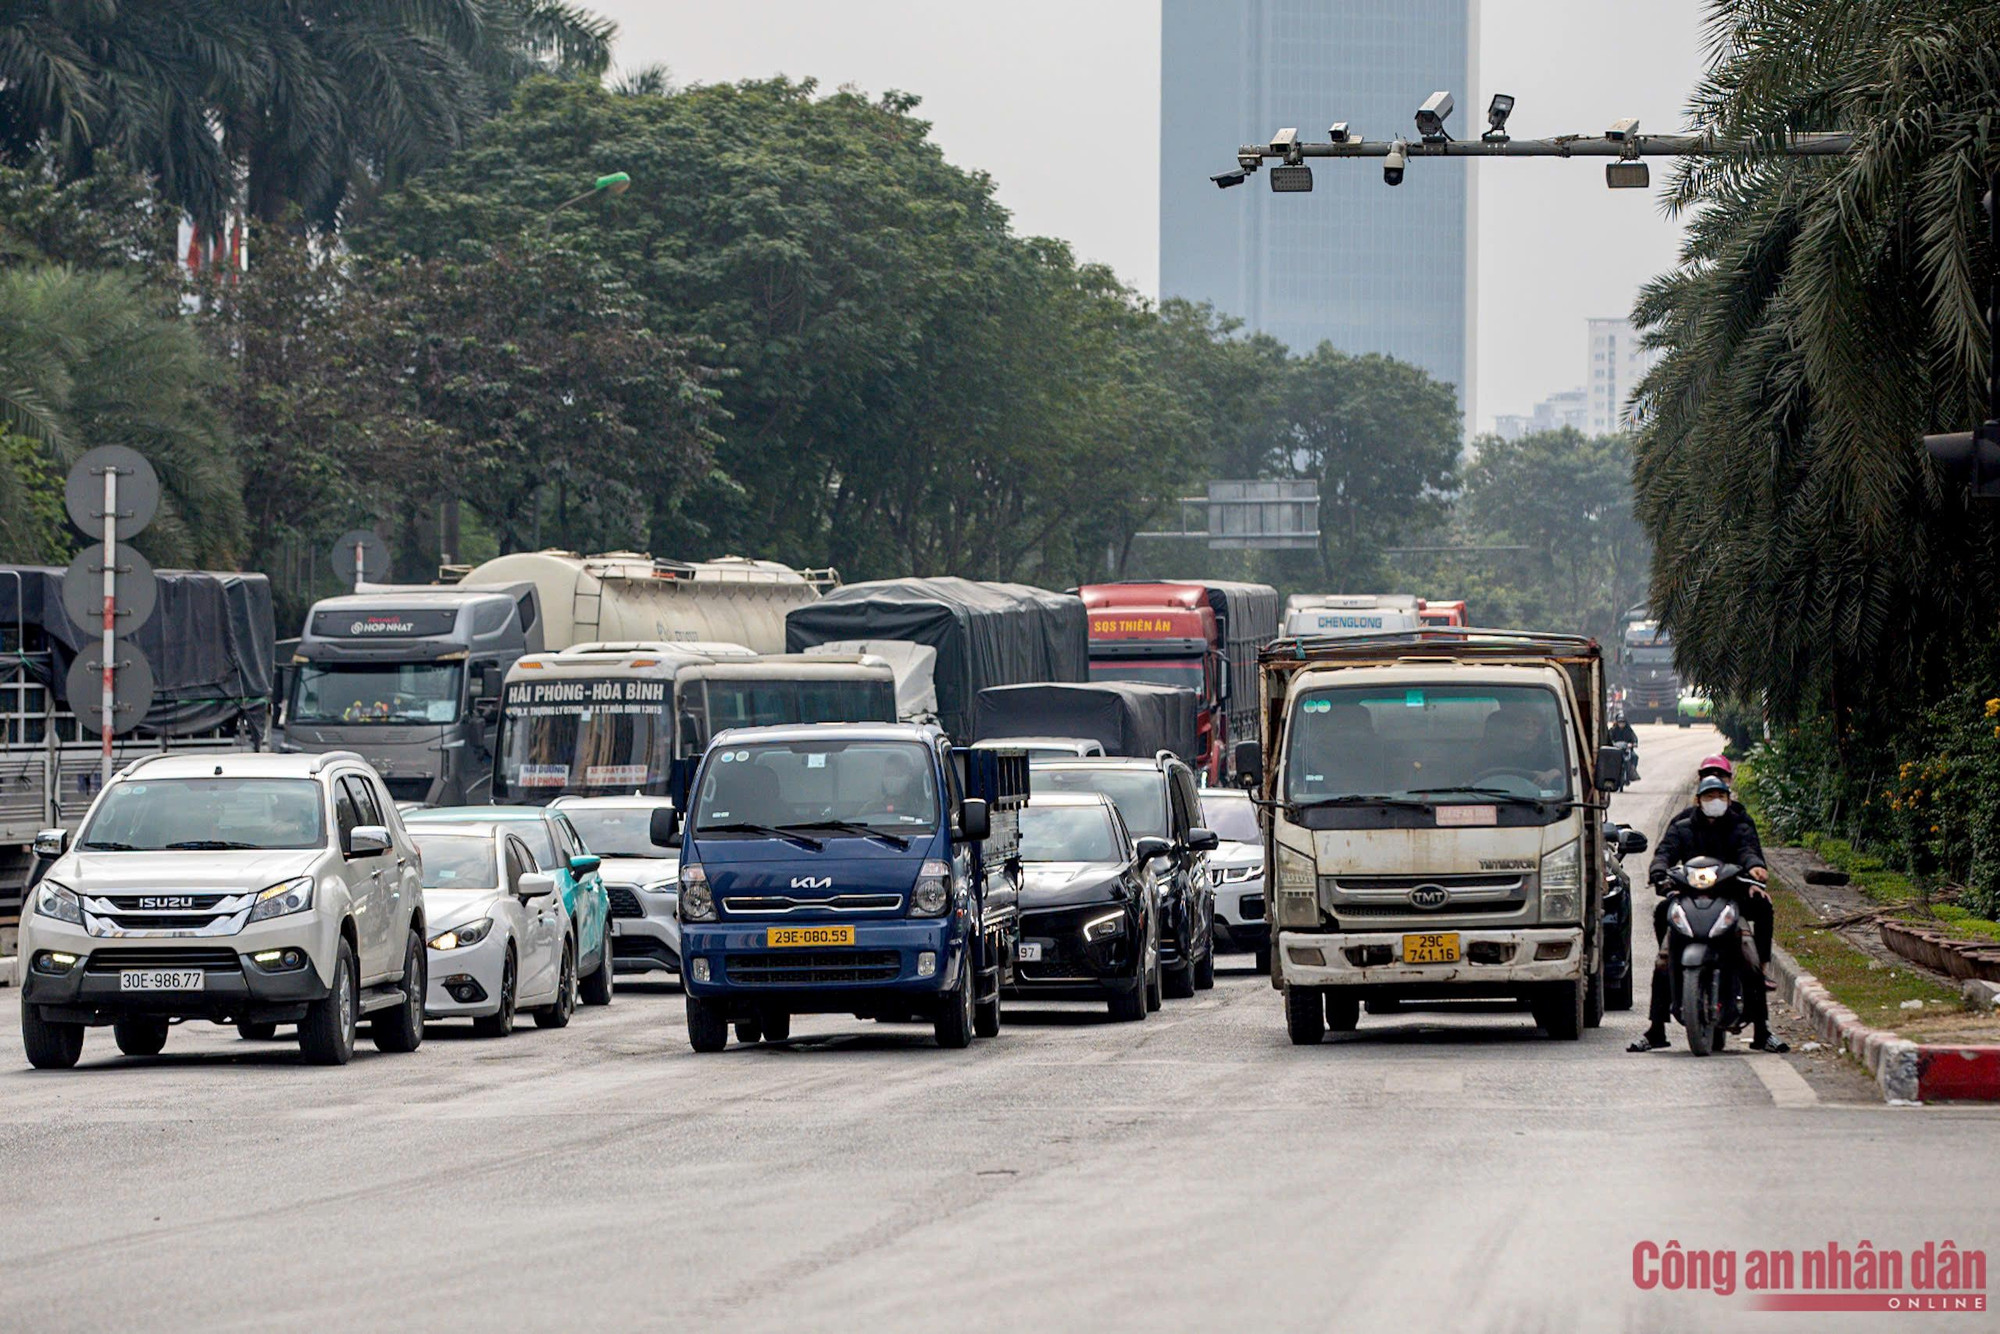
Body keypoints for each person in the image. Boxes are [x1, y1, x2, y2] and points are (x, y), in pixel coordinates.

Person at [1628, 773, 1788, 1052]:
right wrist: (1658, 872)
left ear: (1728, 798)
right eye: (1709, 797)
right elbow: (1664, 853)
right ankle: (1656, 1029)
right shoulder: (1682, 827)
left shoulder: (1739, 825)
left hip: (1729, 900)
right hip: (1688, 901)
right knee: (1663, 955)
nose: (1715, 801)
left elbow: (1749, 851)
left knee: (1749, 953)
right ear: (1698, 801)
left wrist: (1754, 869)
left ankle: (1762, 1031)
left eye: (1721, 796)